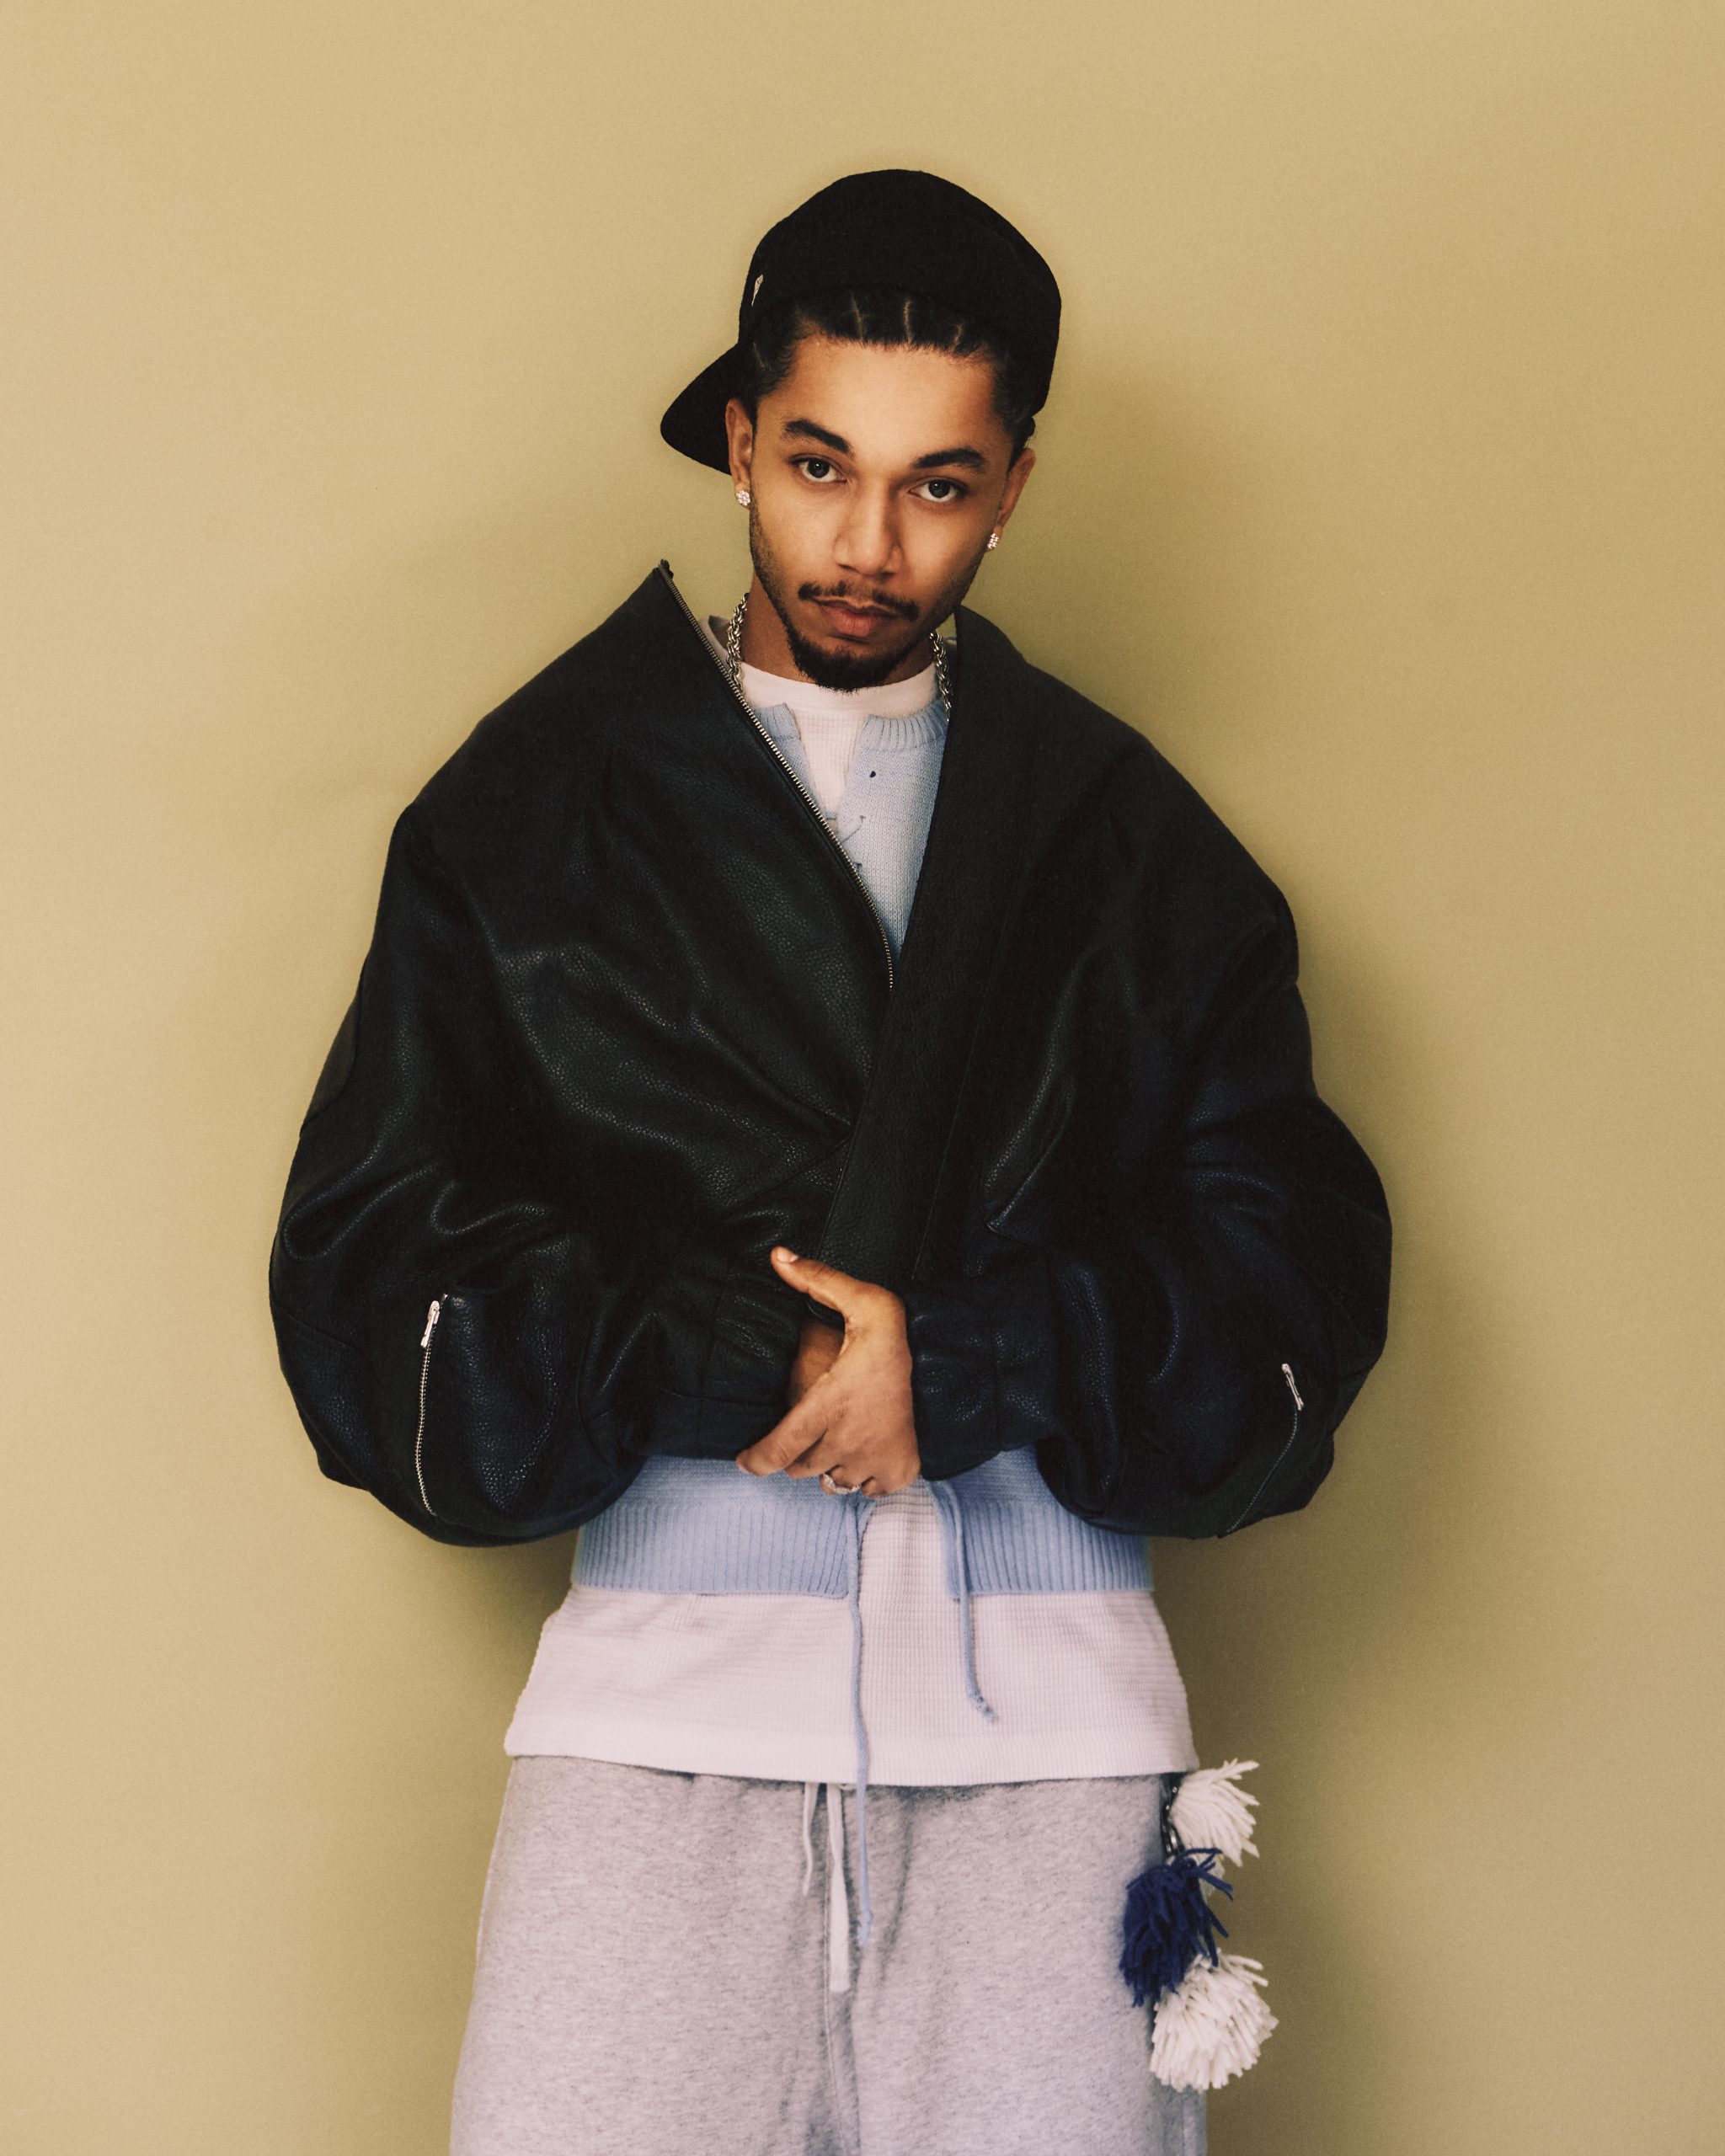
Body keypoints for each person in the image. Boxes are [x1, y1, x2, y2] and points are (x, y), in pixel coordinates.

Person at [269, 168, 1391, 2156]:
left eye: (936, 486)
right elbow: (370, 1281)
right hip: (657, 1731)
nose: (868, 545)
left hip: (1055, 1763)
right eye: (817, 466)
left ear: (1014, 482)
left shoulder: (1135, 846)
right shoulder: (527, 814)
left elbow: (1286, 1284)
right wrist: (751, 1355)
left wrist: (967, 1365)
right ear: (735, 436)